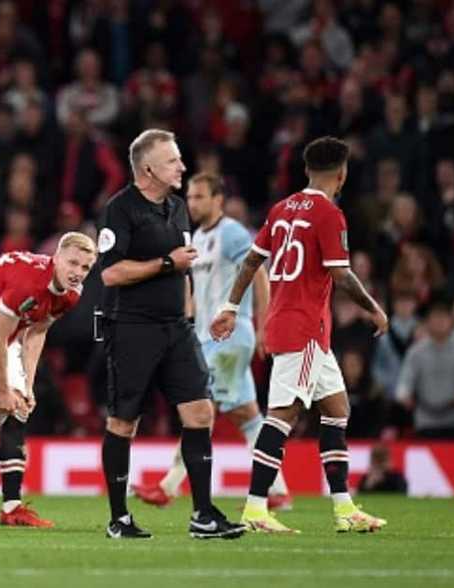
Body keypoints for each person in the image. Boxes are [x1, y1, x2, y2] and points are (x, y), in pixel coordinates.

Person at [211, 136, 389, 533]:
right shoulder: (330, 214)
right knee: (283, 416)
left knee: (337, 410)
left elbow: (252, 260)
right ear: (340, 175)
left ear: (308, 171)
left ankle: (344, 510)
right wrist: (374, 308)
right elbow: (341, 275)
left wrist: (229, 306)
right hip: (304, 327)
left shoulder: (281, 209)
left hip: (292, 325)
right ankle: (256, 508)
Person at [98, 129, 245, 540]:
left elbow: (184, 273)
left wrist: (193, 314)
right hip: (131, 327)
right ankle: (119, 519)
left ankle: (202, 514)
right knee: (123, 422)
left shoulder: (178, 207)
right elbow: (110, 272)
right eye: (173, 161)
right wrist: (166, 262)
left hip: (176, 329)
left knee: (201, 412)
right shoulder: (120, 209)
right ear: (148, 168)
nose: (182, 166)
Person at [132, 172, 292, 511]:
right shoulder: (197, 240)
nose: (192, 203)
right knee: (247, 415)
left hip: (230, 338)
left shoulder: (231, 233)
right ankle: (277, 490)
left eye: (200, 197)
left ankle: (168, 486)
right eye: (189, 197)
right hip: (207, 339)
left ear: (218, 199)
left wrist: (264, 326)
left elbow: (259, 274)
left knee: (198, 407)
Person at [0, 233, 96, 529]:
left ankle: (12, 507)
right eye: (73, 263)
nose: (77, 273)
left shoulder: (72, 295)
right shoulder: (30, 284)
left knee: (19, 407)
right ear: (56, 258)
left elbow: (36, 332)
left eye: (85, 268)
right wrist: (2, 391)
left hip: (2, 328)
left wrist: (28, 385)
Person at [394, 298, 454, 438]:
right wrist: (404, 396)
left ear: (451, 322)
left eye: (443, 318)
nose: (439, 323)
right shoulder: (416, 352)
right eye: (435, 318)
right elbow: (404, 383)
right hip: (426, 421)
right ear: (428, 322)